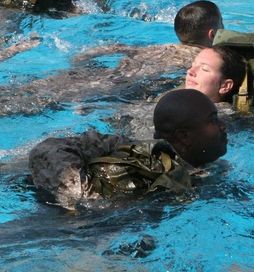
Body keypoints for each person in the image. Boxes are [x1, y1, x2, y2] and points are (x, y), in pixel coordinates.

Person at [0, 0, 218, 132]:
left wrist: (82, 60)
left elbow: (109, 48)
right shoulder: (195, 61)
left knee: (16, 89)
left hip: (93, 73)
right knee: (29, 103)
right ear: (212, 35)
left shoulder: (155, 47)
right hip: (110, 88)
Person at [28, 89, 227, 207]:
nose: (222, 125)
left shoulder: (207, 172)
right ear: (184, 137)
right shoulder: (121, 146)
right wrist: (90, 200)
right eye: (213, 120)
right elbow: (44, 151)